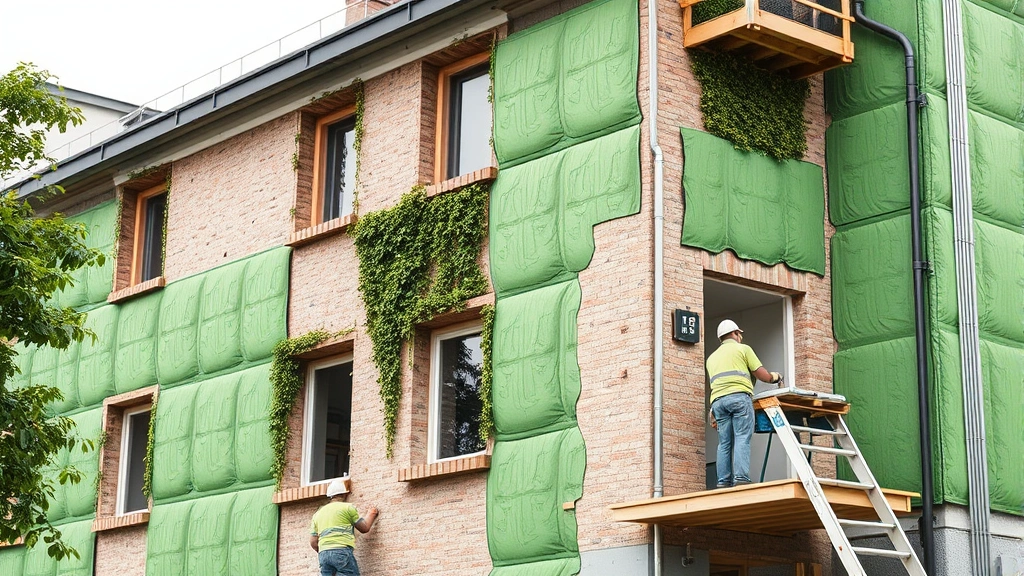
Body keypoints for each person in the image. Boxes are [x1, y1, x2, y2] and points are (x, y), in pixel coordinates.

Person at [706, 319, 782, 489]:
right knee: (742, 437)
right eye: (739, 334)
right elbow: (763, 375)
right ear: (735, 334)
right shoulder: (743, 349)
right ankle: (740, 478)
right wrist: (775, 377)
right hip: (739, 399)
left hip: (718, 403)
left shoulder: (711, 358)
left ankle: (723, 481)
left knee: (724, 442)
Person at [309, 476, 379, 576]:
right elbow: (364, 528)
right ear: (345, 494)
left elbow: (313, 542)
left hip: (323, 554)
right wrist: (371, 513)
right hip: (341, 551)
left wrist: (325, 550)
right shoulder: (348, 508)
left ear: (330, 496)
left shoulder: (318, 514)